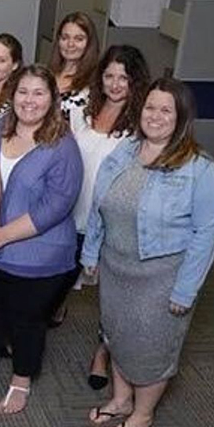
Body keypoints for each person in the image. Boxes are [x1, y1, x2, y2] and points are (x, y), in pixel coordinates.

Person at [82, 78, 214, 427]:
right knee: (116, 334)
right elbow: (100, 206)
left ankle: (142, 413)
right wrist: (91, 253)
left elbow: (207, 233)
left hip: (162, 276)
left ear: (180, 118)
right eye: (150, 107)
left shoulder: (198, 167)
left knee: (151, 344)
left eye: (166, 110)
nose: (156, 116)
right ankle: (120, 399)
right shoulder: (125, 152)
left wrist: (185, 290)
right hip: (117, 267)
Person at [0, 65, 83, 415]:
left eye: (39, 93)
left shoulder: (62, 145)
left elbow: (58, 204)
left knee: (26, 319)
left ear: (52, 99)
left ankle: (21, 379)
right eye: (23, 92)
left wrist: (1, 235)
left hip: (40, 254)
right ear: (11, 94)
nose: (29, 101)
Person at [58, 46, 150, 377]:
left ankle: (102, 352)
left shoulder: (141, 124)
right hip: (72, 212)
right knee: (61, 278)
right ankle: (55, 311)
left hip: (110, 221)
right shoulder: (85, 111)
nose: (114, 84)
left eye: (123, 78)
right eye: (109, 76)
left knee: (111, 296)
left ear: (135, 81)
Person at [49, 12, 100, 118]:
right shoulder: (46, 75)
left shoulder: (96, 83)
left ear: (89, 43)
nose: (70, 44)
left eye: (78, 39)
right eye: (65, 38)